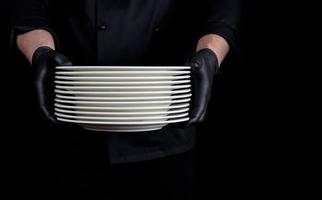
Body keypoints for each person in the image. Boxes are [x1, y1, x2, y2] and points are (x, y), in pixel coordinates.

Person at [10, 0, 241, 199]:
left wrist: (211, 52)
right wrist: (40, 51)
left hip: (167, 125)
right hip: (69, 122)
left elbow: (222, 5)